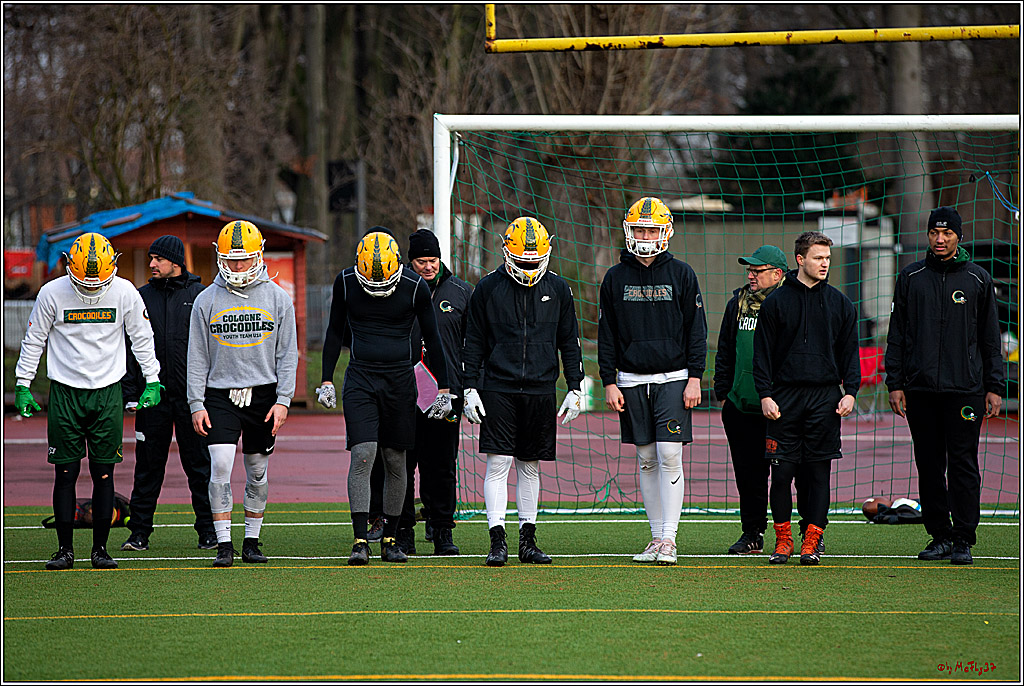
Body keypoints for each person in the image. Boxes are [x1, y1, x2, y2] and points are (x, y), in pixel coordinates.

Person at [15, 232, 162, 570]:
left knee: (104, 473)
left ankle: (100, 550)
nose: (92, 288)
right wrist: (23, 383)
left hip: (108, 391)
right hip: (65, 391)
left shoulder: (124, 291)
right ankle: (64, 550)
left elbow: (141, 337)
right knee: (65, 473)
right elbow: (34, 338)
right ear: (70, 267)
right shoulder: (52, 293)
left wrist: (152, 379)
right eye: (84, 281)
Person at [318, 228, 454, 566]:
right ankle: (360, 539)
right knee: (363, 454)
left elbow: (433, 338)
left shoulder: (414, 286)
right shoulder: (346, 282)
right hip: (361, 378)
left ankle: (392, 538)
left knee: (395, 459)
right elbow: (334, 331)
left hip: (400, 380)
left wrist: (444, 388)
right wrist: (326, 379)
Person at [462, 216, 584, 567]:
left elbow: (569, 341)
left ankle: (527, 542)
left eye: (534, 261)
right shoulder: (487, 288)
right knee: (498, 463)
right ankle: (497, 540)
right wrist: (469, 387)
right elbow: (473, 343)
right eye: (521, 261)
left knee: (530, 466)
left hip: (540, 388)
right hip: (497, 387)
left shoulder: (559, 289)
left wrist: (575, 386)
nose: (528, 267)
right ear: (506, 252)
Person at [884, 206, 1004, 565]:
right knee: (929, 464)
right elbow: (897, 334)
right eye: (934, 233)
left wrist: (994, 385)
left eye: (947, 233)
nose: (940, 239)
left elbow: (990, 339)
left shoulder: (979, 279)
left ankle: (964, 538)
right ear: (928, 235)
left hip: (965, 390)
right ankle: (939, 536)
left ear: (958, 236)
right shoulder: (911, 276)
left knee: (964, 464)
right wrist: (895, 382)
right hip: (920, 390)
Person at [598, 197, 707, 566]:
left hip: (673, 378)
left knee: (670, 454)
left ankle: (670, 539)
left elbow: (696, 331)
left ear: (665, 232)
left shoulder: (682, 274)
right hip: (630, 379)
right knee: (646, 458)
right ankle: (656, 535)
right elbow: (606, 334)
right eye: (640, 229)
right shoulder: (615, 277)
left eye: (651, 229)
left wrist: (695, 377)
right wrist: (609, 381)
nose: (645, 236)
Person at [188, 220, 298, 567]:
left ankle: (251, 540)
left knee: (257, 469)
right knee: (220, 464)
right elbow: (196, 355)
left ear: (258, 256)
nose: (237, 266)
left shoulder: (278, 298)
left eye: (244, 259)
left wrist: (283, 400)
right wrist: (196, 402)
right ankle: (224, 544)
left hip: (263, 394)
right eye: (231, 259)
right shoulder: (206, 299)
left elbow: (287, 354)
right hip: (220, 393)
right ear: (219, 257)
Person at [753, 231, 859, 566]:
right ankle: (783, 540)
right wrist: (765, 394)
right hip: (784, 399)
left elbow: (849, 353)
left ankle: (811, 541)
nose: (824, 264)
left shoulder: (841, 304)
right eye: (818, 258)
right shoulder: (775, 303)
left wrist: (851, 392)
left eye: (827, 258)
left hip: (825, 399)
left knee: (818, 475)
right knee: (782, 474)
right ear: (800, 260)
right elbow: (762, 355)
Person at [121, 235, 216, 552]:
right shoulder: (141, 297)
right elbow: (129, 348)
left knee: (200, 466)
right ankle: (139, 533)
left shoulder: (200, 296)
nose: (152, 264)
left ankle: (208, 532)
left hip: (193, 400)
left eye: (158, 259)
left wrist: (207, 395)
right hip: (152, 399)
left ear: (175, 262)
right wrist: (130, 392)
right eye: (151, 258)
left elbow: (212, 348)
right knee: (147, 468)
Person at [390, 228, 473, 555]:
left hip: (445, 394)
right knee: (402, 465)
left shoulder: (461, 292)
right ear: (409, 262)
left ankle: (442, 530)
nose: (428, 266)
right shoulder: (396, 290)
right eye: (421, 261)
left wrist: (467, 387)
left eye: (433, 260)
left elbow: (473, 344)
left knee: (441, 466)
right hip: (403, 394)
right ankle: (403, 530)